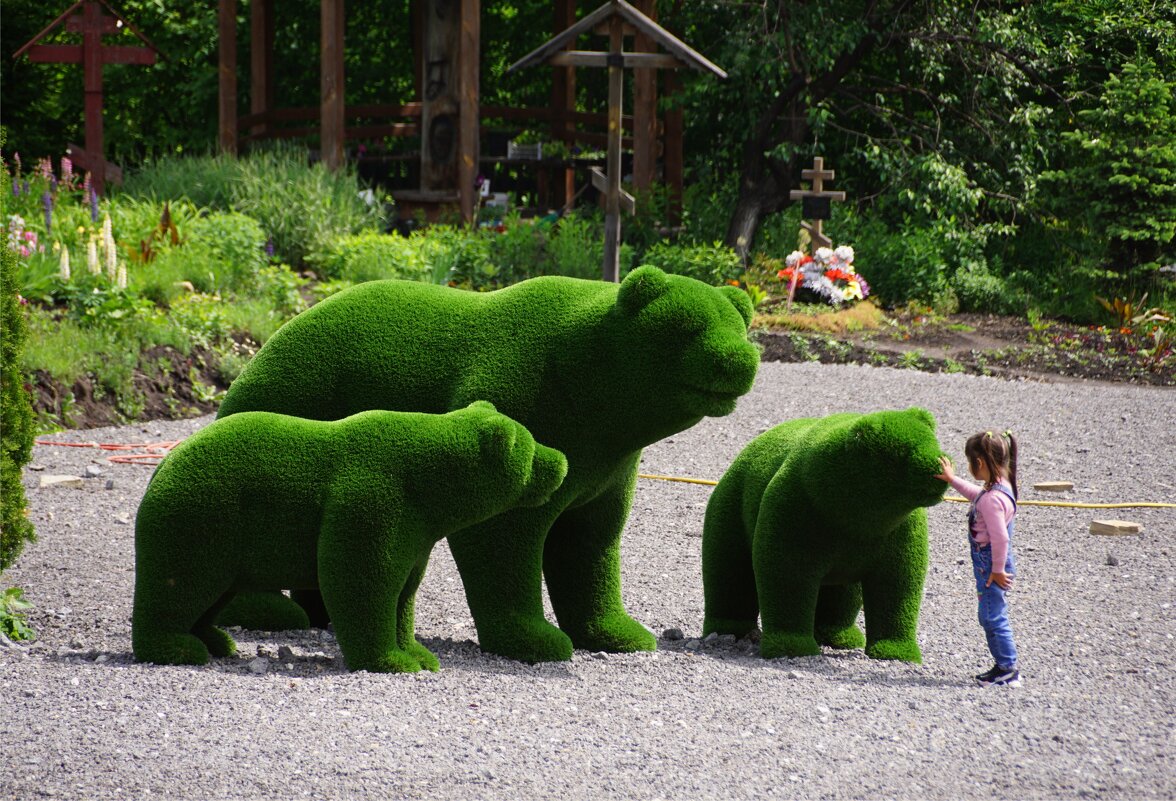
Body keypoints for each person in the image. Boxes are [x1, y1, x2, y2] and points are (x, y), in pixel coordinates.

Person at [935, 430, 1022, 688]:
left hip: (992, 565)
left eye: (970, 462)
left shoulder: (993, 499)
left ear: (980, 463)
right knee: (990, 614)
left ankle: (1009, 670)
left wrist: (996, 571)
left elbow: (1001, 538)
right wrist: (952, 480)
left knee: (992, 616)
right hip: (993, 563)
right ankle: (1002, 666)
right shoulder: (999, 486)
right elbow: (977, 496)